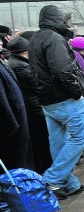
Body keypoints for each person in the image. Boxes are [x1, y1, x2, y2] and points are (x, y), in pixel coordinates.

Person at [28, 5, 84, 199]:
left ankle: (69, 183)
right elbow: (62, 71)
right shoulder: (55, 39)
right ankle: (53, 179)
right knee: (80, 137)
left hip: (47, 100)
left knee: (58, 142)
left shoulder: (36, 39)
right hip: (64, 98)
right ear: (59, 20)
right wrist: (77, 92)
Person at [6, 35, 52, 172]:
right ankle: (46, 166)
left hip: (32, 104)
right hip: (34, 106)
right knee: (42, 137)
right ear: (25, 50)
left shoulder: (16, 62)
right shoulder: (21, 66)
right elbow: (36, 84)